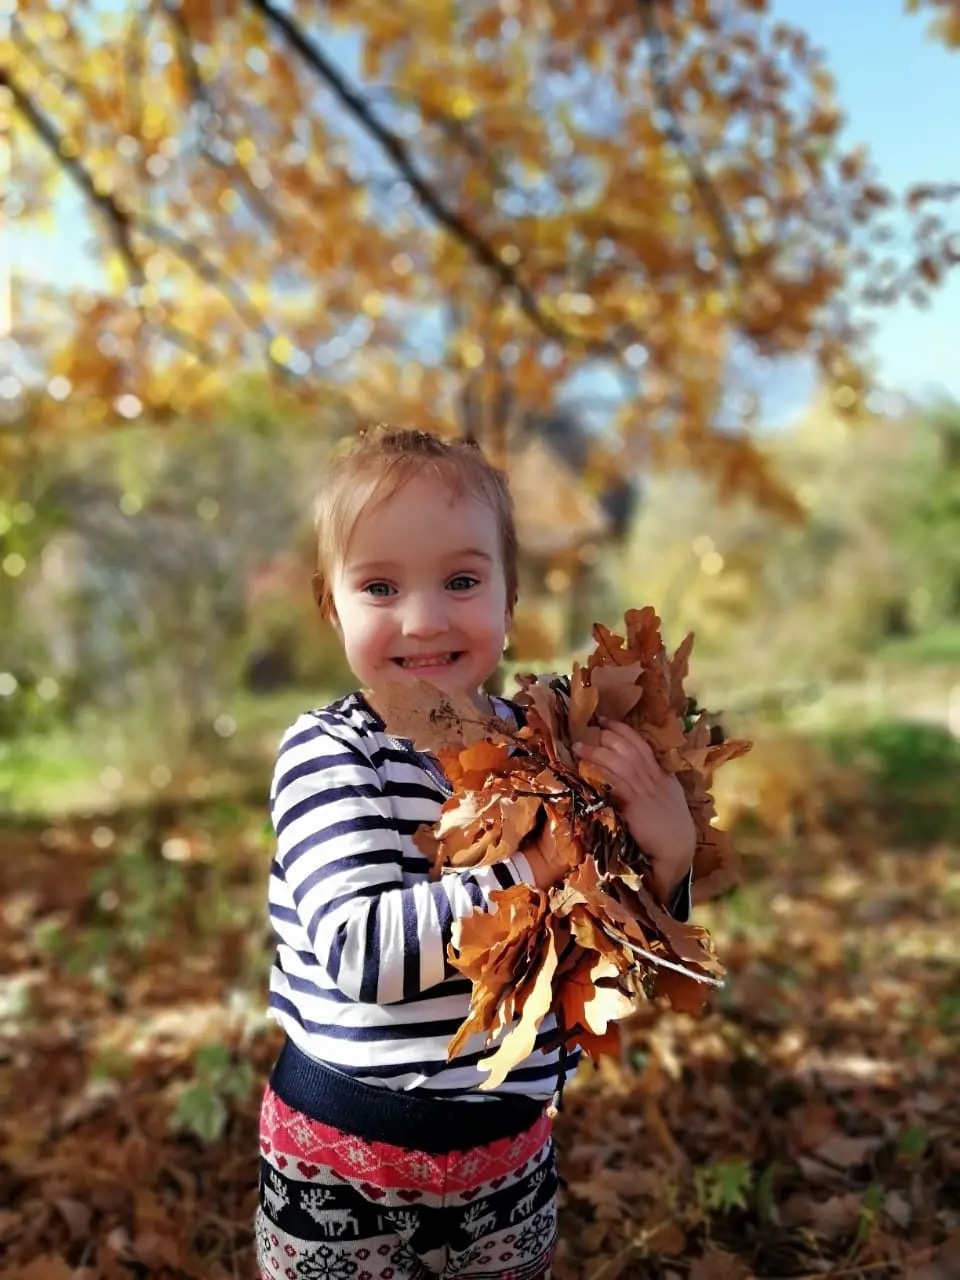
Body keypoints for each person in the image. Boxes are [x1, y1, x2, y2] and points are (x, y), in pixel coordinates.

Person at [256, 427, 696, 1280]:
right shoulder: (332, 754)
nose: (424, 619)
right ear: (331, 606)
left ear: (510, 597)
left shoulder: (548, 749)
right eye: (380, 586)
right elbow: (362, 955)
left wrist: (667, 855)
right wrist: (535, 869)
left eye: (461, 580)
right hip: (348, 1165)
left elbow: (616, 956)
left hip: (509, 1160)